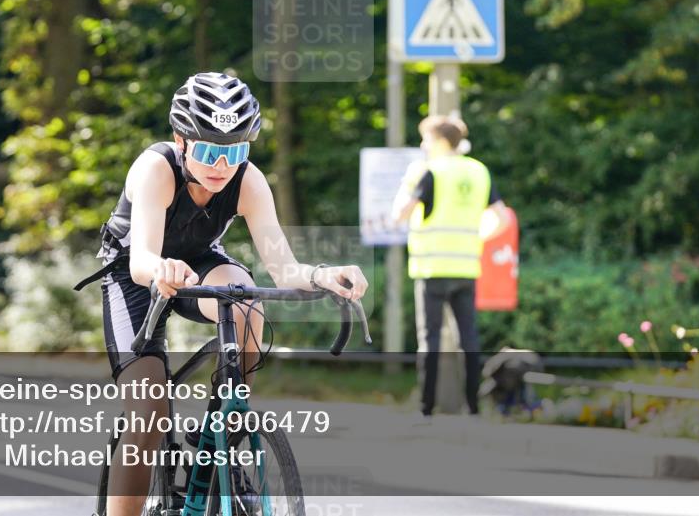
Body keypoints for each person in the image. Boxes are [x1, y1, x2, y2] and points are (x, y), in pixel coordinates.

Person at [75, 71, 368, 516]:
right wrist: (162, 269)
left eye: (235, 151)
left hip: (198, 263)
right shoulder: (156, 168)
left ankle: (224, 430)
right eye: (210, 150)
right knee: (149, 411)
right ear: (182, 139)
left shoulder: (248, 181)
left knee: (245, 299)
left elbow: (284, 268)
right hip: (136, 274)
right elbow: (141, 261)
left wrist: (322, 275)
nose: (221, 165)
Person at [392, 115, 505, 420]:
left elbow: (401, 214)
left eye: (426, 139)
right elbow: (502, 217)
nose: (422, 145)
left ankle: (426, 409)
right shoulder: (478, 170)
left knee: (429, 339)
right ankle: (474, 407)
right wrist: (478, 236)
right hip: (467, 267)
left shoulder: (428, 171)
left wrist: (406, 186)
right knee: (469, 339)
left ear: (440, 141)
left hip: (431, 267)